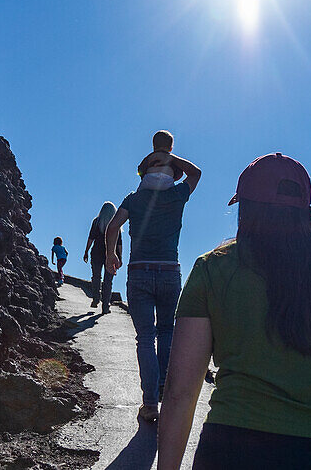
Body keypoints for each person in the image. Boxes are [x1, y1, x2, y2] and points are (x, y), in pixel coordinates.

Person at [157, 153, 311, 470]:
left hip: (235, 449)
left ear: (245, 210)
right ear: (306, 212)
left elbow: (180, 391)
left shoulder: (212, 270)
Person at [106, 130, 202, 424]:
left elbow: (112, 227)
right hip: (169, 272)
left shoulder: (134, 199)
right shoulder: (176, 194)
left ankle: (150, 403)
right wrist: (170, 156)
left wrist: (111, 254)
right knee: (167, 333)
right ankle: (164, 390)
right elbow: (196, 173)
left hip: (139, 272)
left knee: (145, 338)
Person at [83, 201, 121, 313]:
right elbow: (119, 243)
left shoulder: (96, 222)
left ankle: (95, 298)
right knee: (108, 280)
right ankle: (105, 306)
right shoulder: (116, 223)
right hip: (112, 253)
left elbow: (91, 238)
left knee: (96, 276)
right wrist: (120, 258)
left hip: (96, 252)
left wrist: (86, 251)